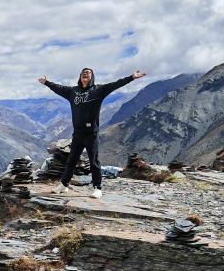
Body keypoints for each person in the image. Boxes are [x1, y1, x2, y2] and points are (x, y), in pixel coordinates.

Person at [39, 68, 145, 198]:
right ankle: (64, 185)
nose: (85, 74)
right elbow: (58, 88)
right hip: (77, 132)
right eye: (83, 72)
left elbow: (115, 84)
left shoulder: (98, 90)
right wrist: (46, 82)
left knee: (94, 161)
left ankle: (97, 188)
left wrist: (131, 77)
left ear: (92, 77)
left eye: (88, 73)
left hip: (91, 133)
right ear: (80, 76)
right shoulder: (73, 91)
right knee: (71, 160)